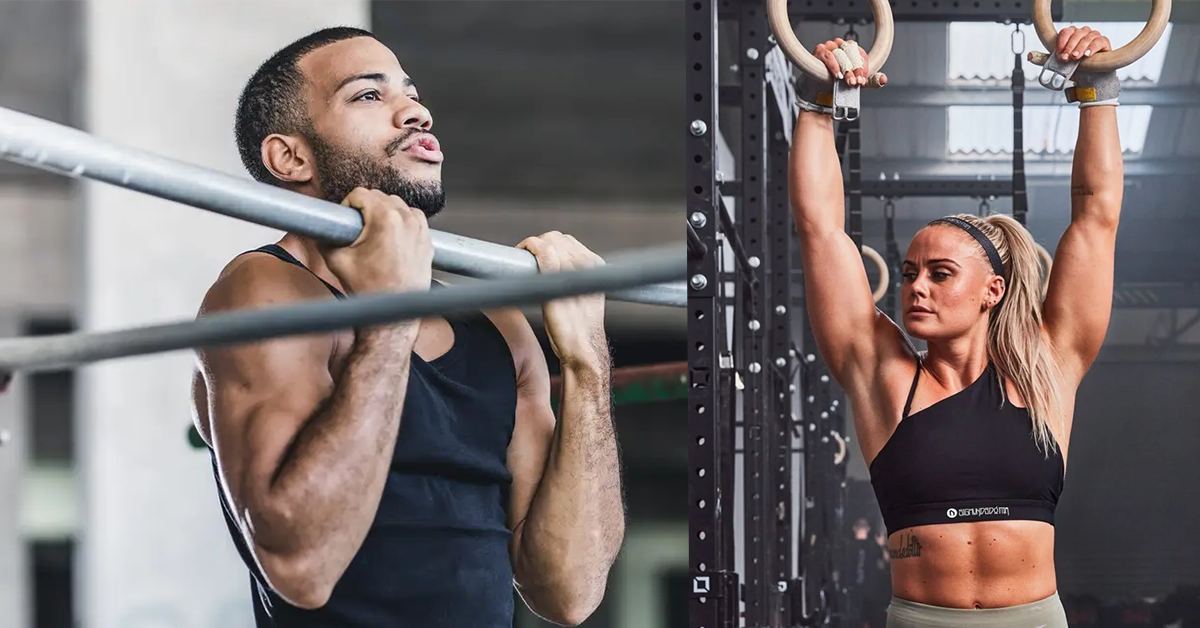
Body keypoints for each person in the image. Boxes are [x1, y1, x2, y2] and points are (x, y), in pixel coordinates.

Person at [188, 27, 625, 628]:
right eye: (369, 96)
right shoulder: (262, 292)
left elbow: (568, 593)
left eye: (410, 93)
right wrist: (388, 316)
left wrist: (587, 363)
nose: (416, 112)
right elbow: (301, 569)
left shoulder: (495, 327)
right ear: (291, 157)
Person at [790, 26, 1123, 627]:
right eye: (910, 271)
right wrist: (816, 101)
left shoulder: (1049, 369)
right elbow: (820, 227)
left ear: (992, 291)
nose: (916, 286)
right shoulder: (882, 375)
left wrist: (1097, 88)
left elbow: (1097, 216)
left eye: (940, 274)